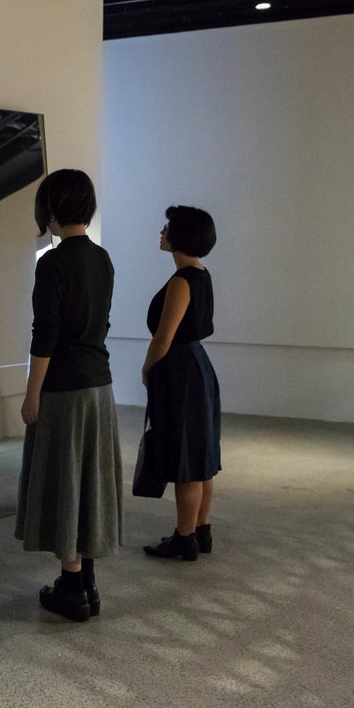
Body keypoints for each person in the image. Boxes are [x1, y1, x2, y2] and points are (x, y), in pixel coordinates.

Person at [15, 168, 122, 623]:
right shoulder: (102, 259)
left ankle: (73, 586)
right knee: (89, 480)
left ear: (51, 210)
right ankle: (87, 583)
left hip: (64, 391)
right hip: (100, 388)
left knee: (66, 481)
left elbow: (46, 335)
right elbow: (101, 323)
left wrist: (31, 393)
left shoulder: (52, 263)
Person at [141, 206, 221, 561]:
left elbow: (164, 337)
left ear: (182, 234)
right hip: (197, 366)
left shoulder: (181, 281)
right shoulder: (202, 275)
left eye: (168, 227)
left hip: (180, 372)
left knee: (186, 459)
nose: (163, 231)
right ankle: (201, 530)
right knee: (200, 455)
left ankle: (184, 537)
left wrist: (147, 368)